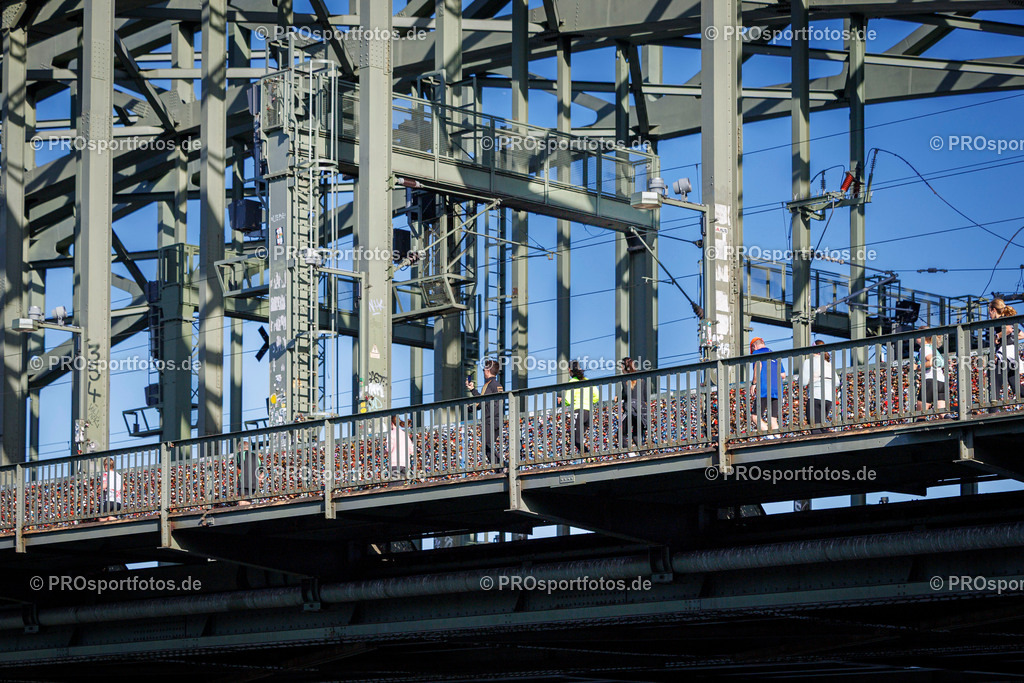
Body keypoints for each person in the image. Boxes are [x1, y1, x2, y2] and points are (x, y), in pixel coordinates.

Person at [466, 359, 504, 466]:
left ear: (487, 371)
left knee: (487, 446)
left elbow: (481, 403)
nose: (483, 372)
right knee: (490, 445)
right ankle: (500, 466)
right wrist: (473, 389)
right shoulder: (498, 385)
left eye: (483, 370)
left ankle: (501, 467)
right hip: (498, 419)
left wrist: (468, 407)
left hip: (489, 420)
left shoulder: (488, 385)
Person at [558, 360, 599, 455]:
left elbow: (568, 399)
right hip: (588, 412)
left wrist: (561, 400)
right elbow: (596, 396)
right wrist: (588, 402)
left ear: (569, 370)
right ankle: (588, 458)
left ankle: (590, 456)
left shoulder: (572, 381)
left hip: (578, 412)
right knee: (579, 439)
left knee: (576, 440)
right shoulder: (588, 381)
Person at [799, 340, 837, 434]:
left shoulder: (809, 362)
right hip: (828, 399)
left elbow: (803, 382)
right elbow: (837, 382)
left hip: (815, 396)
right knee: (822, 427)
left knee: (814, 427)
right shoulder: (828, 364)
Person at [749, 337, 786, 434]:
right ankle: (777, 439)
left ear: (754, 346)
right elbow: (783, 375)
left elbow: (758, 366)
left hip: (764, 389)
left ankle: (769, 435)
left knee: (755, 416)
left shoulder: (756, 353)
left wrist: (753, 383)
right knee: (772, 419)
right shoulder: (775, 355)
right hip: (777, 389)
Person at [990, 301, 1021, 412]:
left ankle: (992, 412)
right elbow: (1021, 334)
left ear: (993, 310)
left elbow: (1007, 329)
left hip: (1004, 356)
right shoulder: (1009, 320)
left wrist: (997, 336)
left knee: (995, 384)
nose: (989, 314)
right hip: (1013, 356)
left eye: (989, 311)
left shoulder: (1000, 320)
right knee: (1015, 386)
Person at [617, 357, 649, 456]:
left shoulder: (625, 379)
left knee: (620, 434)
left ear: (623, 366)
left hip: (630, 408)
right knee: (636, 435)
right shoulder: (642, 378)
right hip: (642, 409)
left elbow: (627, 393)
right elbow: (646, 396)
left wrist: (619, 397)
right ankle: (643, 454)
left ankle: (630, 453)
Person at [915, 332, 947, 416]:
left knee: (920, 413)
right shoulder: (933, 349)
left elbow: (932, 361)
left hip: (930, 380)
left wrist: (919, 367)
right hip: (941, 381)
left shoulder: (924, 348)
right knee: (942, 413)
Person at [389, 415, 415, 479]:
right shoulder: (404, 434)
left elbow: (389, 448)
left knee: (393, 486)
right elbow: (411, 449)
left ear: (391, 423)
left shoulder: (391, 433)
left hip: (394, 463)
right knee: (401, 485)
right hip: (405, 464)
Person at [236, 439, 258, 506]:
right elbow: (261, 469)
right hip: (253, 483)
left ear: (240, 448)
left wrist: (237, 478)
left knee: (242, 500)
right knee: (248, 500)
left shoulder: (240, 454)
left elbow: (239, 467)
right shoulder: (255, 456)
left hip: (244, 481)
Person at [99, 457, 122, 522]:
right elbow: (123, 488)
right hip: (117, 501)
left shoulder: (106, 474)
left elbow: (104, 486)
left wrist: (98, 490)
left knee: (102, 520)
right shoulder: (118, 475)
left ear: (106, 465)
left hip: (108, 500)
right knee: (112, 520)